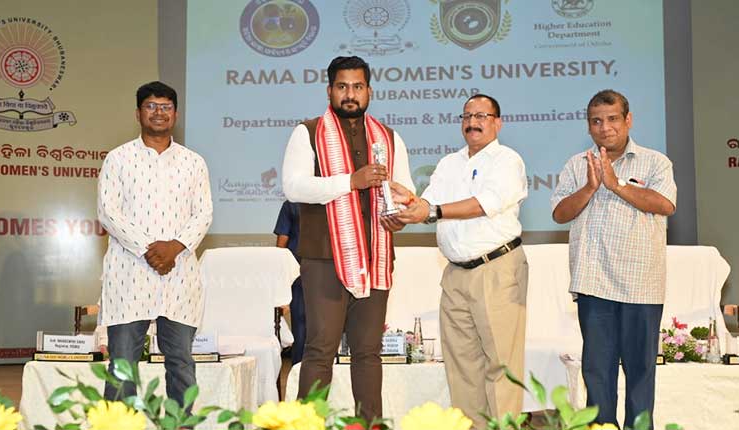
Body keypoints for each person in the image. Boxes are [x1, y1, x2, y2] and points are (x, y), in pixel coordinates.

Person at [281, 55, 415, 423]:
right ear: (329, 90)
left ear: (369, 91)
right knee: (320, 349)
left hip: (375, 257)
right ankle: (307, 424)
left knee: (368, 352)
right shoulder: (307, 132)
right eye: (342, 86)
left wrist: (400, 214)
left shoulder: (389, 137)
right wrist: (350, 181)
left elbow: (405, 190)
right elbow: (293, 186)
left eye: (357, 87)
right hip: (324, 258)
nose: (350, 94)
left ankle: (369, 425)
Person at [390, 94, 528, 429]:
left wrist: (431, 210)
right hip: (455, 274)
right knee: (462, 367)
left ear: (498, 122)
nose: (472, 122)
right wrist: (406, 204)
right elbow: (428, 204)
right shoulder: (449, 163)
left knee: (501, 366)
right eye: (467, 116)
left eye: (481, 115)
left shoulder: (508, 161)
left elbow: (484, 204)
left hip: (496, 269)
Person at [551, 89, 676, 428]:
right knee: (597, 374)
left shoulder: (655, 162)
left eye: (612, 119)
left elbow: (665, 204)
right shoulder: (577, 165)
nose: (604, 127)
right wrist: (590, 187)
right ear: (588, 125)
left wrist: (616, 184)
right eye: (596, 121)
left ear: (628, 120)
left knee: (640, 373)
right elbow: (560, 214)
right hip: (594, 285)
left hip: (641, 285)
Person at [97, 81, 213, 410]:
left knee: (181, 365)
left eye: (165, 107)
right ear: (138, 113)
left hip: (179, 274)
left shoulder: (193, 162)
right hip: (129, 273)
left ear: (175, 114)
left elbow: (204, 213)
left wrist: (174, 248)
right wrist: (151, 250)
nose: (158, 112)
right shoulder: (118, 159)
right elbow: (108, 212)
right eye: (151, 106)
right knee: (122, 366)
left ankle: (181, 423)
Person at [273, 200, 306, 365]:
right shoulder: (327, 199)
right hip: (320, 270)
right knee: (322, 322)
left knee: (300, 321)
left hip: (298, 269)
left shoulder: (291, 204)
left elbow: (282, 240)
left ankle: (299, 370)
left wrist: (278, 271)